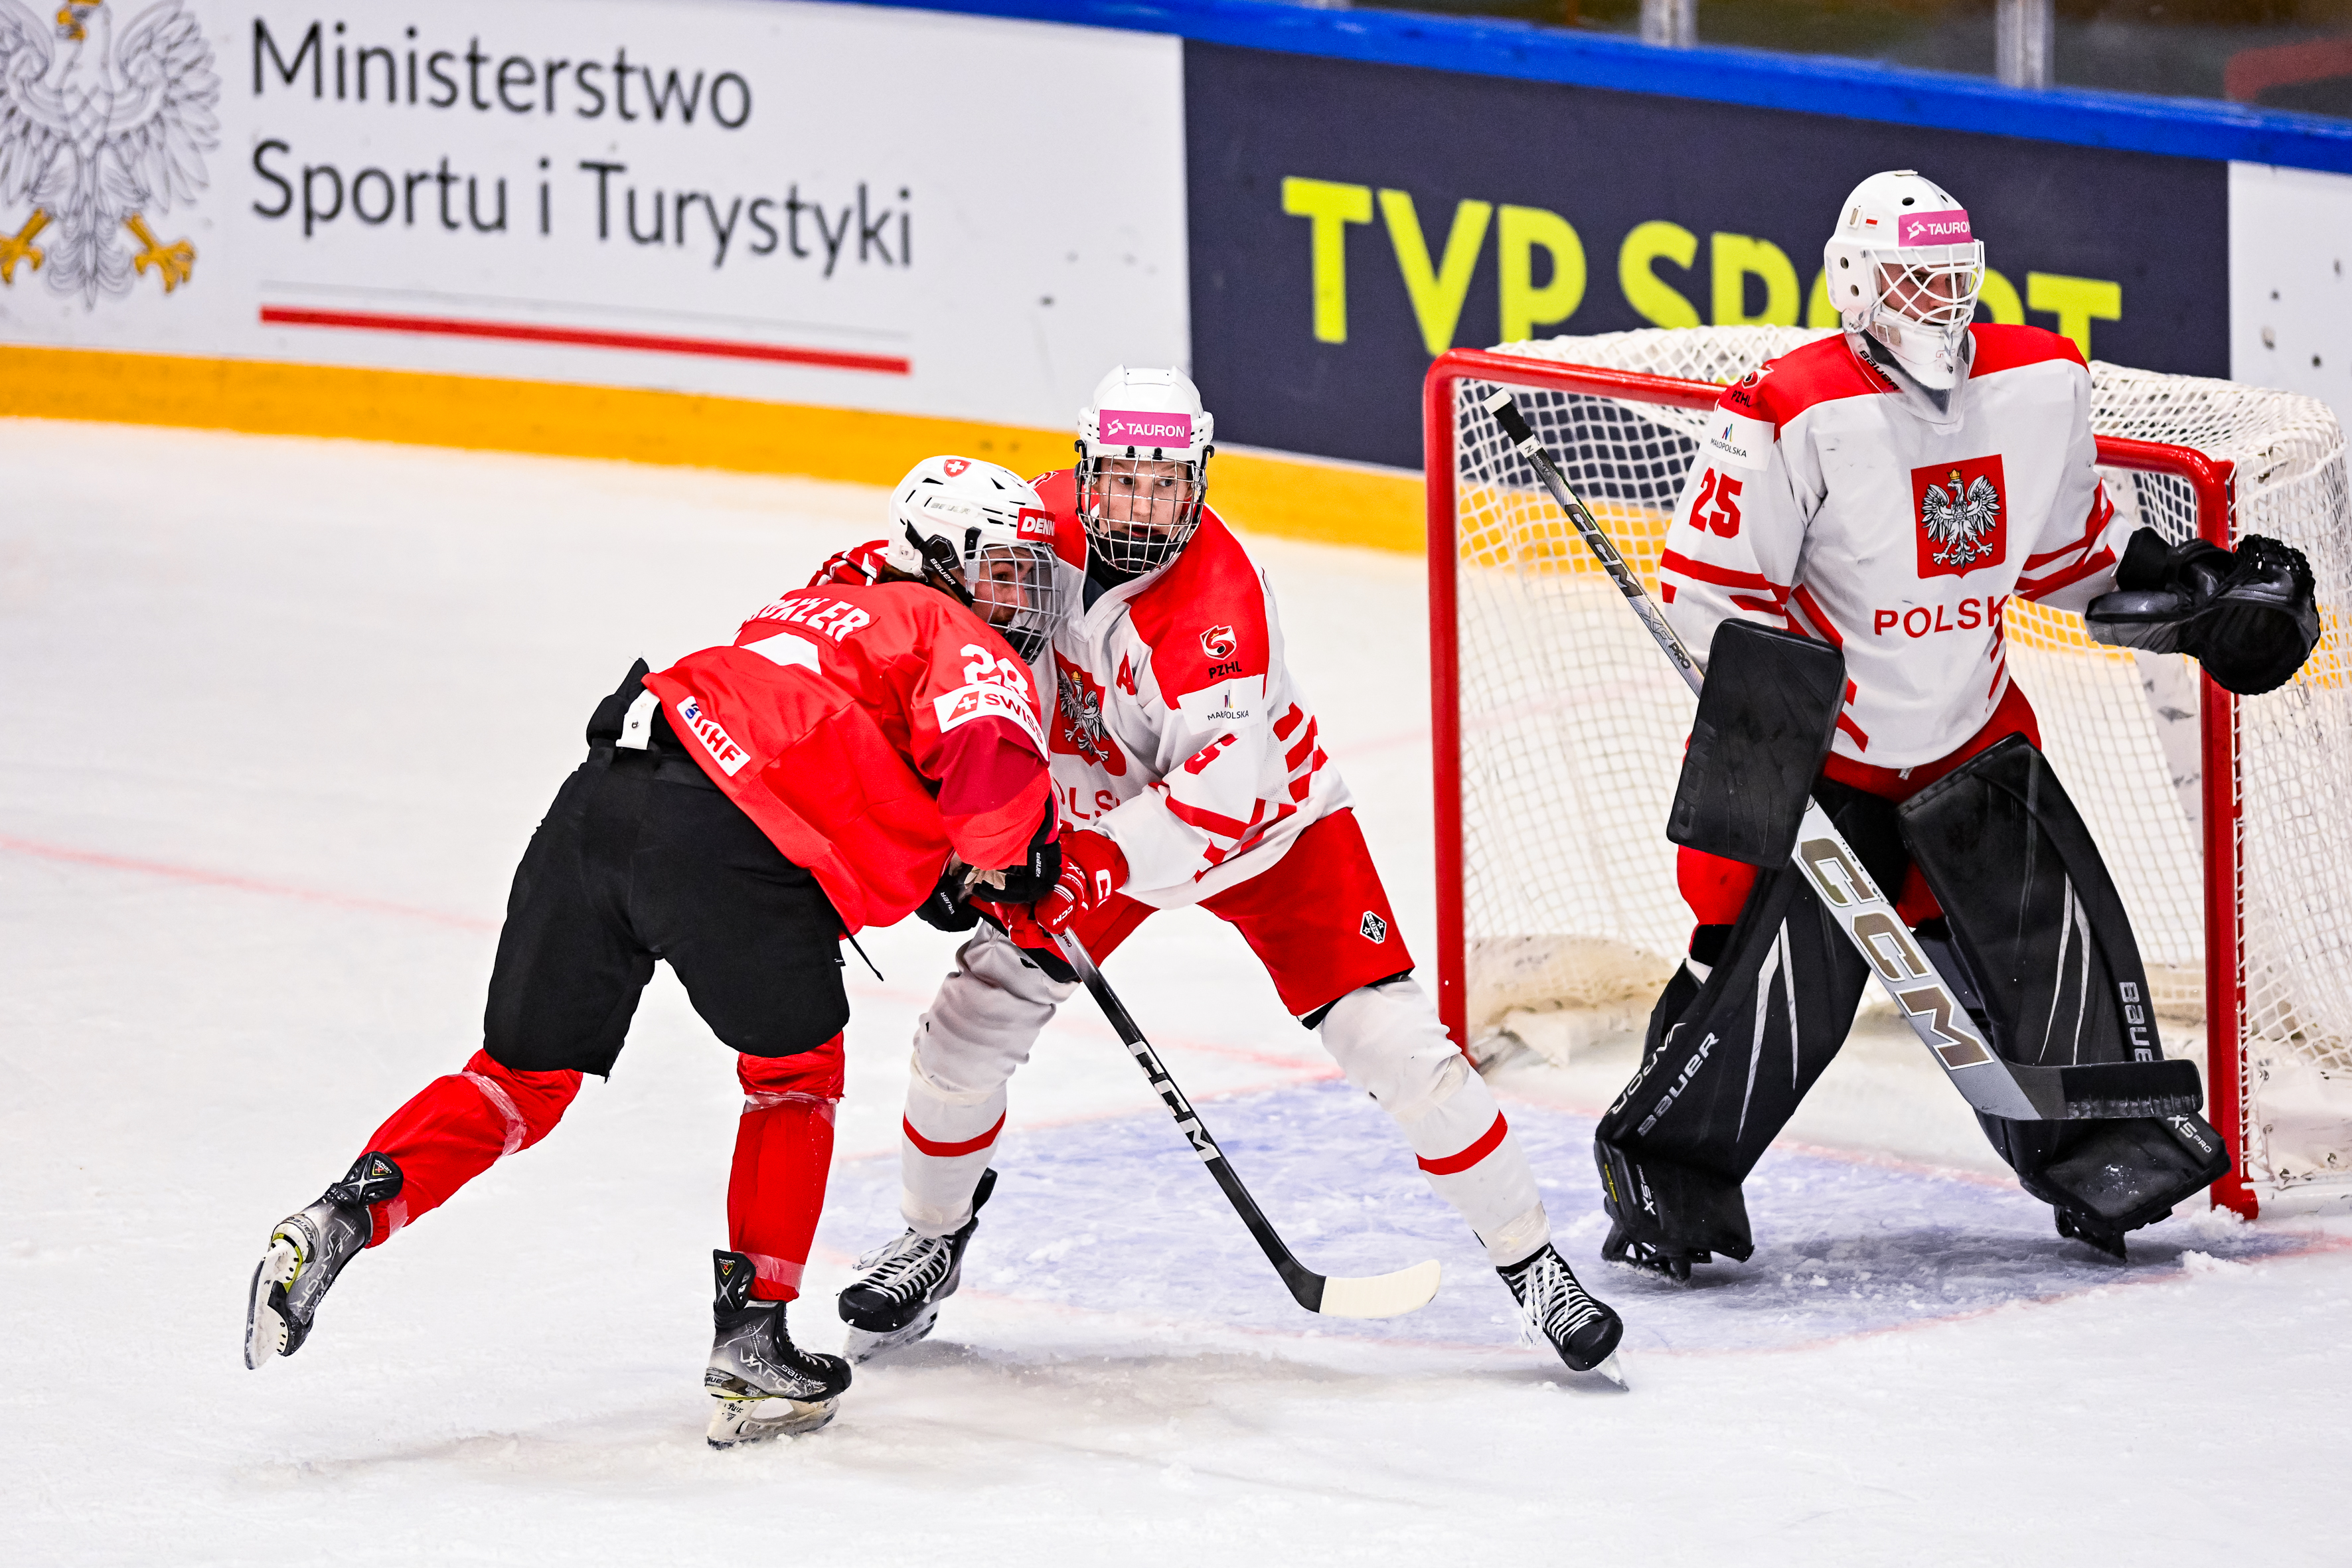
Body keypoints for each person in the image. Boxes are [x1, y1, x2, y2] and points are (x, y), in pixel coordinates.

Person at [243, 456, 1065, 1447]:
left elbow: (826, 747)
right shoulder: (954, 632)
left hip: (598, 798)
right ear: (937, 557)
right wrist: (1025, 859)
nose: (1019, 598)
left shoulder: (815, 601)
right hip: (719, 841)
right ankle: (753, 1341)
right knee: (793, 1078)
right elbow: (990, 800)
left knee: (517, 1079)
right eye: (1003, 570)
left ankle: (343, 1214)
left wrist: (931, 861)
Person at [1594, 170, 2318, 1277]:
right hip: (1815, 751)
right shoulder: (1790, 408)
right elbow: (1711, 593)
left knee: (2045, 956)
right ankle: (1669, 1184)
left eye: (1951, 278)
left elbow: (2069, 556)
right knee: (1746, 968)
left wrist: (2186, 591)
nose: (1937, 303)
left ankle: (2101, 1157)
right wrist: (1784, 744)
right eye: (1911, 281)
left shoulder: (2039, 382)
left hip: (1968, 734)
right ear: (1855, 284)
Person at [834, 367, 1626, 1376]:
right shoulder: (1031, 526)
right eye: (1123, 482)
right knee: (969, 1023)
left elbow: (1215, 807)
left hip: (1268, 833)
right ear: (1086, 470)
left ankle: (1534, 1264)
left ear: (1199, 479)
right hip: (1085, 820)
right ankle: (930, 1238)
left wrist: (1088, 863)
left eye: (1165, 485)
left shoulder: (1221, 612)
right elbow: (919, 589)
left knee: (1400, 1050)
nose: (1141, 508)